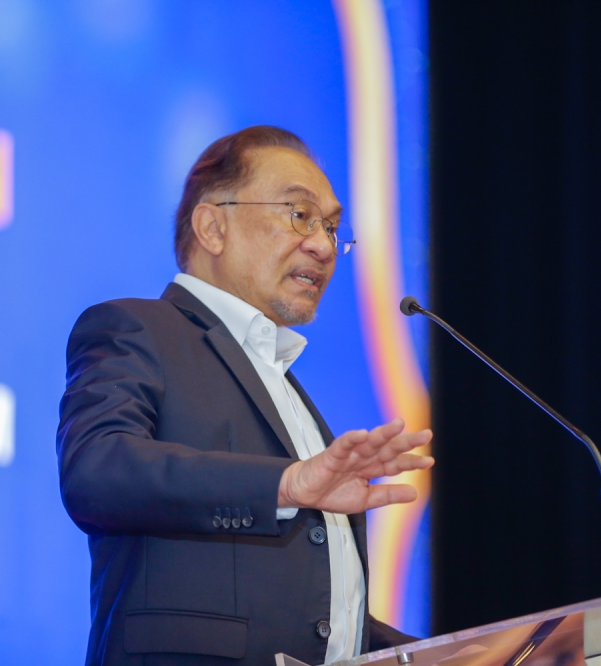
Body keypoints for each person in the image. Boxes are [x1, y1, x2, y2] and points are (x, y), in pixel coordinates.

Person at [57, 126, 434, 666]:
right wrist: (285, 483)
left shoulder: (292, 396)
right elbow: (96, 471)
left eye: (331, 226)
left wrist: (490, 655)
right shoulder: (139, 329)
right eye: (299, 215)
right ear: (213, 226)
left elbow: (323, 624)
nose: (324, 245)